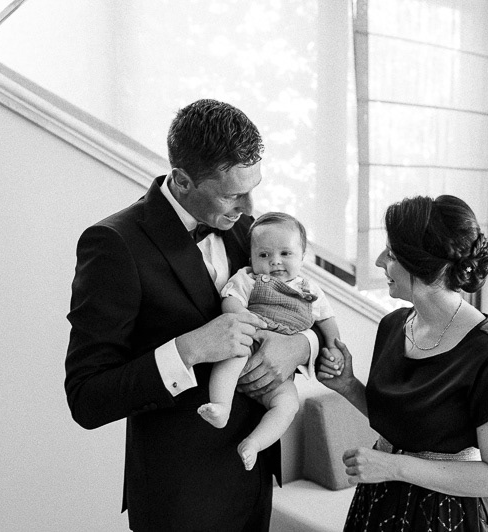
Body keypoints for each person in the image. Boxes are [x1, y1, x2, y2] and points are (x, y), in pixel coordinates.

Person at [64, 99, 321, 532]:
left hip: (252, 481)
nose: (249, 205)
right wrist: (188, 350)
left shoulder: (250, 231)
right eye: (233, 194)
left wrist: (299, 346)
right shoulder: (113, 244)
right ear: (182, 180)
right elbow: (87, 398)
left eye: (253, 187)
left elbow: (303, 304)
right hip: (178, 498)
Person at [317, 195, 488, 531]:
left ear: (424, 264)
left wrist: (393, 467)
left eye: (391, 254)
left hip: (448, 514)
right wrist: (348, 386)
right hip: (381, 502)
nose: (378, 261)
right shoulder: (393, 326)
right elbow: (403, 424)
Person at [198, 212, 341, 471]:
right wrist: (245, 319)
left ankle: (254, 443)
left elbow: (326, 320)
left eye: (285, 253)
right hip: (249, 342)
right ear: (251, 258)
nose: (275, 261)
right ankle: (221, 406)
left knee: (288, 405)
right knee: (232, 359)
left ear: (302, 256)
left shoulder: (310, 290)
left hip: (280, 374)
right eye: (264, 255)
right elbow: (230, 300)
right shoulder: (248, 278)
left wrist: (334, 347)